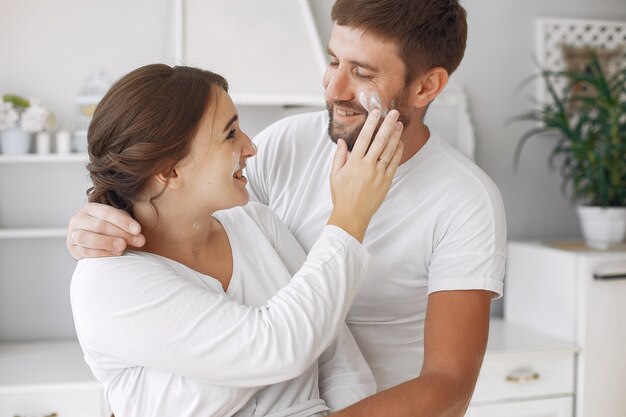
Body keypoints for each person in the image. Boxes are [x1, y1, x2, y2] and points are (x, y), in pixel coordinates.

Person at [68, 1, 507, 416]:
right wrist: (99, 217)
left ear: (426, 86)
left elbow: (447, 385)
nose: (334, 88)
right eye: (334, 60)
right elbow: (185, 206)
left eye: (362, 72)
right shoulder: (287, 146)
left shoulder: (466, 201)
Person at [70, 64, 405, 417]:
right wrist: (350, 217)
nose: (250, 147)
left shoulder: (257, 223)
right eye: (230, 135)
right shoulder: (109, 283)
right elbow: (275, 346)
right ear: (169, 171)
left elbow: (335, 353)